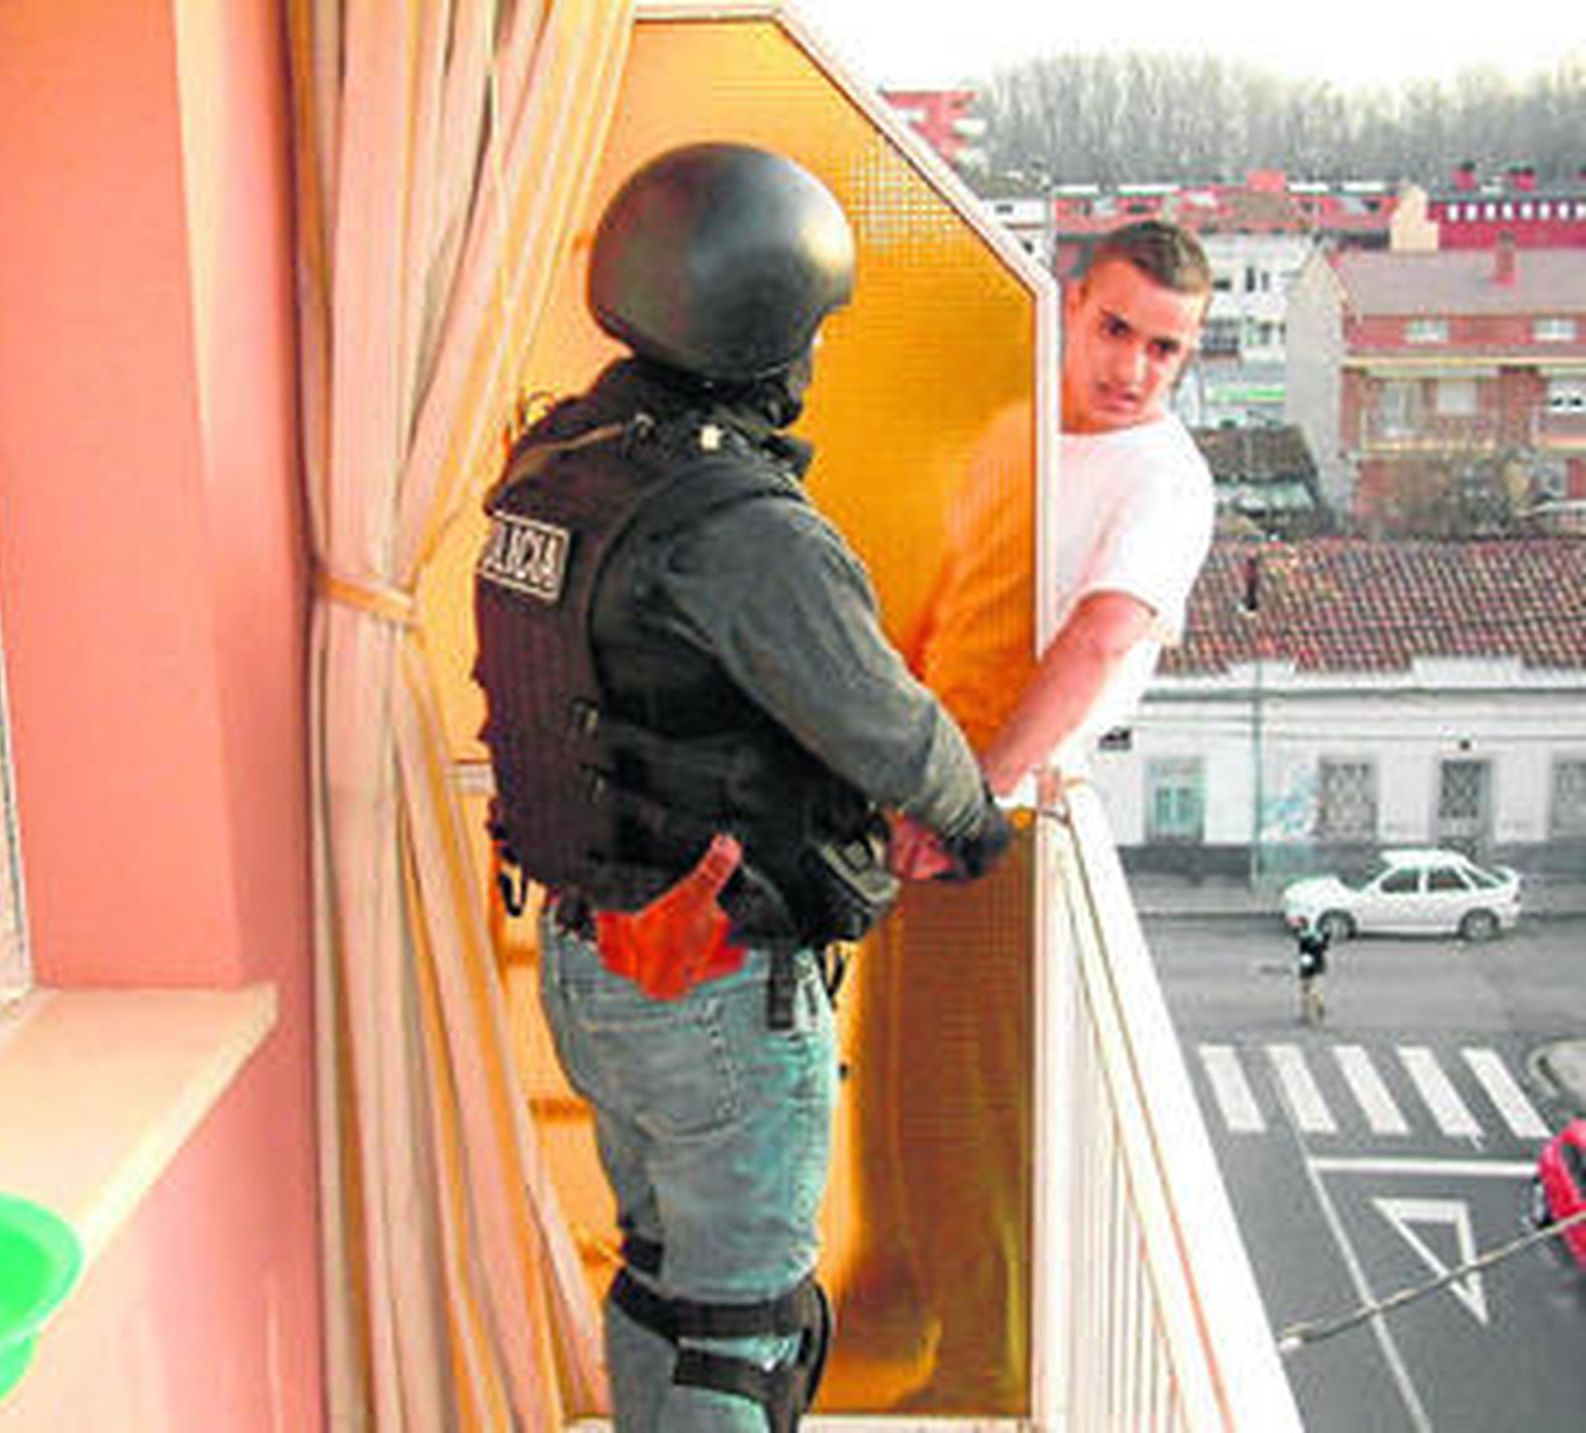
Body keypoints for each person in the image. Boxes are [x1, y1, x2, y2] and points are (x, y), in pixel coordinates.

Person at [472, 142, 1011, 1433]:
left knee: (661, 1274)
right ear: (766, 324)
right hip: (711, 977)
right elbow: (890, 729)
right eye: (810, 326)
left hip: (593, 955)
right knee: (746, 1325)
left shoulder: (557, 463)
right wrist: (974, 822)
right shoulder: (738, 524)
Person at [869, 220, 1215, 1411]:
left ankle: (981, 1368)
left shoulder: (1165, 479)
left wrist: (973, 799)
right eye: (1117, 329)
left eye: (1165, 349)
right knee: (913, 1097)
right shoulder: (1014, 429)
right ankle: (931, 1331)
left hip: (1004, 828)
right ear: (1069, 305)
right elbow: (943, 601)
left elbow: (1100, 638)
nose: (1134, 368)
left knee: (970, 1111)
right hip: (927, 807)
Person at [1296, 923, 1330, 1025]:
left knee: (1306, 990)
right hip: (1317, 964)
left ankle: (1309, 1013)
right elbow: (1325, 947)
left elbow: (1302, 950)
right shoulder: (1320, 937)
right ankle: (1313, 1010)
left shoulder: (1303, 936)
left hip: (1308, 964)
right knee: (1311, 989)